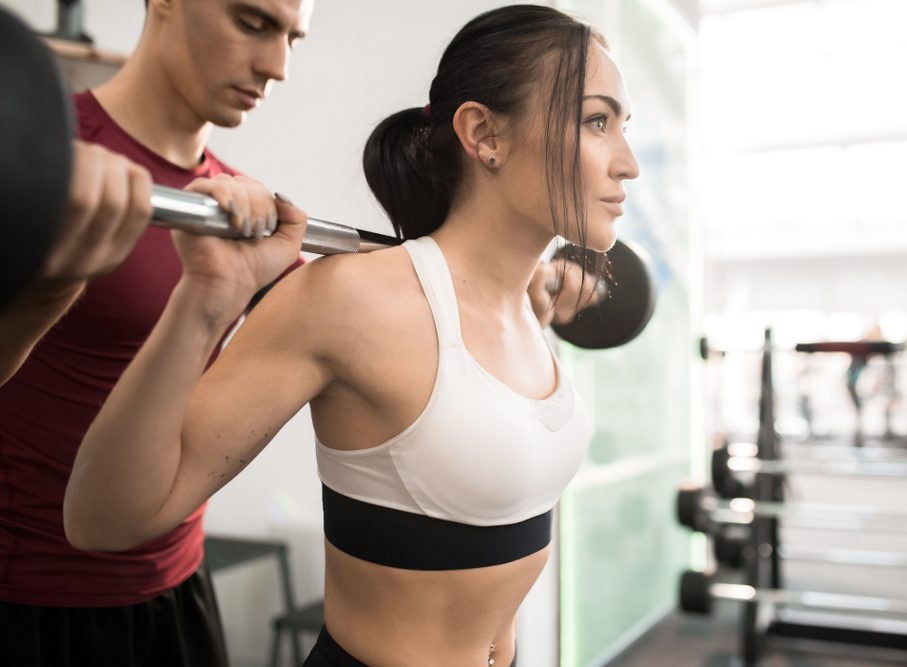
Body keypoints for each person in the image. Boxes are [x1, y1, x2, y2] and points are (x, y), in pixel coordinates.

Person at [65, 4, 639, 666]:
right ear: (485, 134)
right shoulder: (349, 301)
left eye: (625, 126)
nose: (627, 163)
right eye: (597, 121)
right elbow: (104, 518)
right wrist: (205, 301)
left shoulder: (523, 311)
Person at [0, 1, 312, 665]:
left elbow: (356, 325)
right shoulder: (45, 159)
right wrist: (55, 284)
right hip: (31, 602)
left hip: (178, 594)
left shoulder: (233, 206)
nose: (278, 65)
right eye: (252, 22)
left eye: (292, 37)